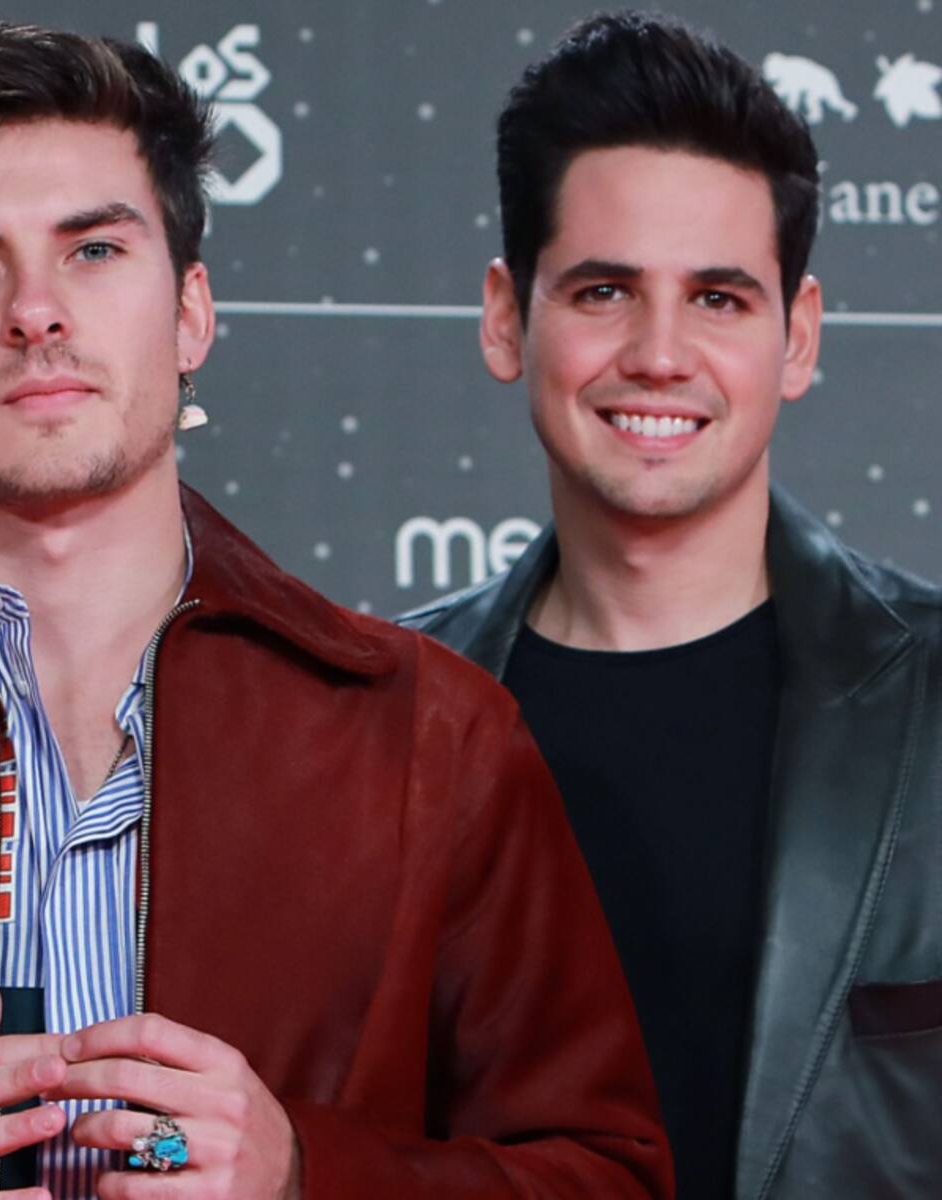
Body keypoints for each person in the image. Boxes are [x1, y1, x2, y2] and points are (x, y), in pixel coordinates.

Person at [0, 18, 672, 1200]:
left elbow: (610, 1176)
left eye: (93, 250)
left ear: (191, 312)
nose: (36, 312)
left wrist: (306, 1178)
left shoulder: (435, 739)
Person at [403, 10, 942, 1199]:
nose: (659, 353)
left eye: (719, 299)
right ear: (507, 317)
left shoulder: (933, 705)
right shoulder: (374, 719)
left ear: (798, 337)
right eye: (604, 290)